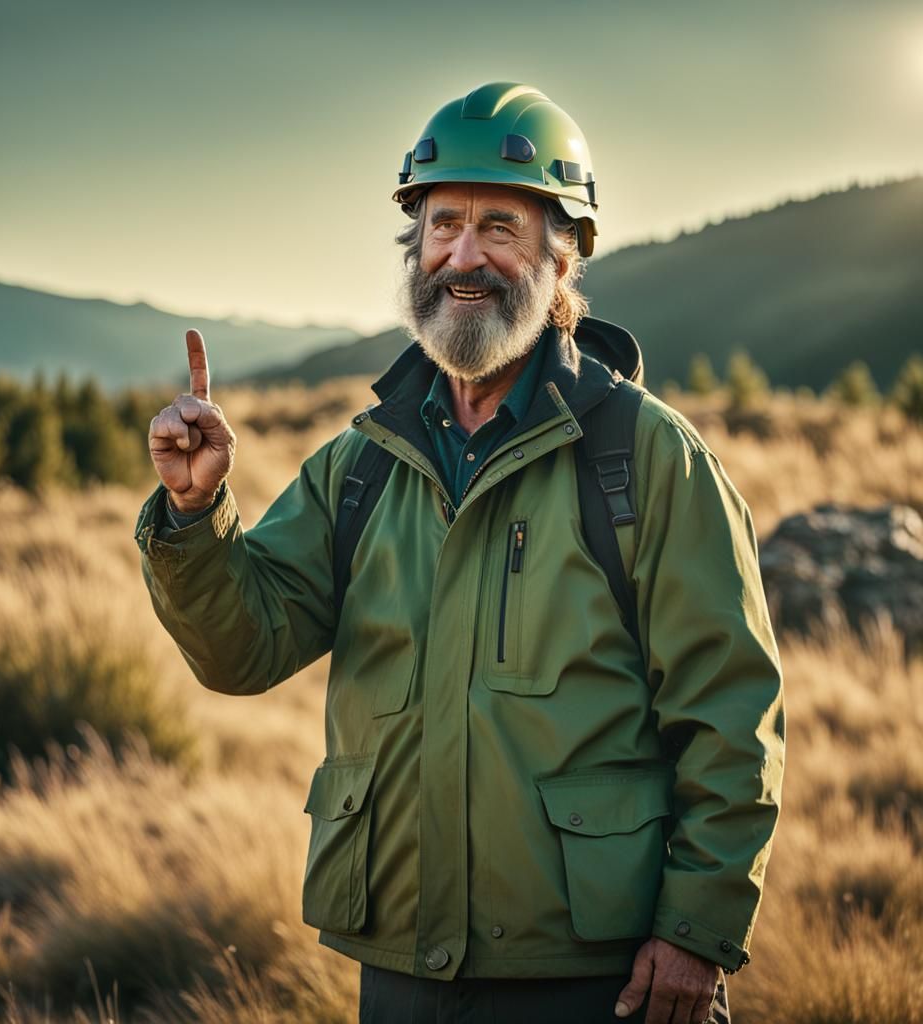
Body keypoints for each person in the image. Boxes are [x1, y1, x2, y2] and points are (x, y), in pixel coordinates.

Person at [136, 82, 785, 1024]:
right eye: (442, 225)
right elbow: (244, 649)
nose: (464, 256)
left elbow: (732, 714)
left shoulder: (647, 458)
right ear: (415, 248)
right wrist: (195, 518)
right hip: (401, 969)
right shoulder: (362, 464)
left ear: (562, 255)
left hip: (598, 980)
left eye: (499, 227)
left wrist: (696, 929)